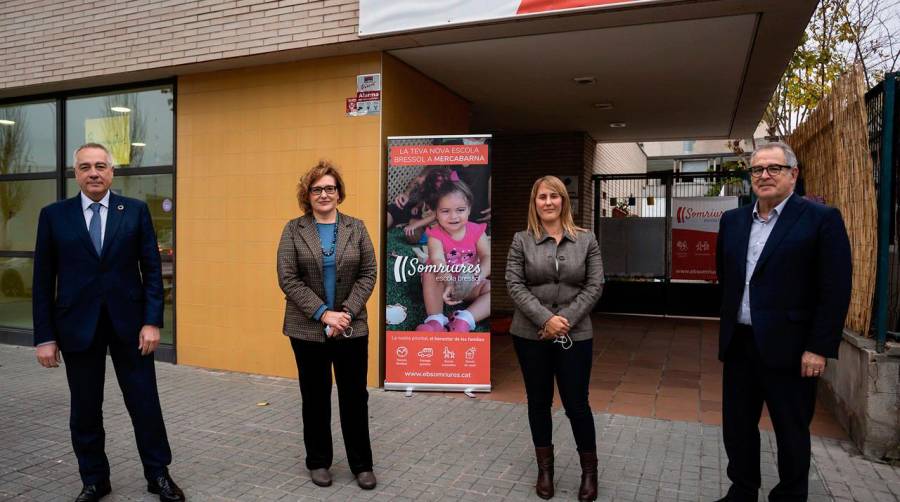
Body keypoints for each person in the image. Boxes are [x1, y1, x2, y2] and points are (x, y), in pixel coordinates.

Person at [32, 143, 184, 502]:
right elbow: (42, 280)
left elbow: (151, 270)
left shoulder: (133, 211)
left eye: (100, 166)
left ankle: (158, 474)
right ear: (76, 174)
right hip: (76, 328)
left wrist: (152, 321)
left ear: (112, 172)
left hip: (130, 328)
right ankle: (95, 479)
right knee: (85, 408)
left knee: (145, 403)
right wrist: (44, 337)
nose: (94, 172)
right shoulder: (54, 216)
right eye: (85, 167)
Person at [715, 142, 851, 501]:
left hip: (792, 349)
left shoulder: (821, 219)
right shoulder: (733, 220)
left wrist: (819, 347)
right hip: (740, 343)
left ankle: (790, 496)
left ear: (794, 174)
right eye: (757, 169)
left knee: (791, 430)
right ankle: (742, 491)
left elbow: (835, 288)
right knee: (738, 427)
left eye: (773, 168)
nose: (764, 175)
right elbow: (727, 279)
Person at [276, 160, 378, 490]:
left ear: (339, 193)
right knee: (315, 396)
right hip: (307, 330)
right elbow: (288, 278)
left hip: (351, 327)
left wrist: (345, 312)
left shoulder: (357, 228)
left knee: (354, 397)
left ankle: (361, 465)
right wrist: (323, 313)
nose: (324, 194)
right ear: (308, 194)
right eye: (317, 188)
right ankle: (318, 461)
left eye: (330, 188)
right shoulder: (293, 229)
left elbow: (369, 272)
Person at [505, 175, 604, 501]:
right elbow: (514, 285)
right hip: (530, 335)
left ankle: (590, 473)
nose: (548, 202)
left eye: (554, 196)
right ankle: (545, 469)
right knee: (538, 402)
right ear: (534, 203)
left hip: (576, 335)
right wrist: (546, 319)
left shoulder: (586, 240)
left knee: (577, 404)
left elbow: (595, 285)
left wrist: (565, 322)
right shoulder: (522, 240)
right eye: (541, 197)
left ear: (564, 201)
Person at [415, 180, 490, 333]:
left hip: (469, 284)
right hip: (442, 284)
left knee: (490, 289)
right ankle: (436, 320)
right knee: (430, 271)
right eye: (445, 211)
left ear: (469, 209)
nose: (453, 216)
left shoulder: (477, 231)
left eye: (460, 210)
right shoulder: (435, 234)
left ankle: (465, 319)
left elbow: (487, 255)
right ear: (435, 212)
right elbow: (437, 259)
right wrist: (448, 281)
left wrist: (479, 275)